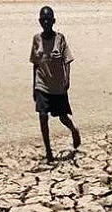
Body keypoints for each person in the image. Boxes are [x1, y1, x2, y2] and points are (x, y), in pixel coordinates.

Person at [30, 6, 81, 162]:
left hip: (58, 86)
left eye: (49, 19)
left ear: (53, 21)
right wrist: (34, 85)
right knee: (43, 116)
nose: (46, 22)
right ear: (40, 21)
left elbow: (67, 60)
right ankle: (48, 151)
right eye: (43, 20)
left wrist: (67, 78)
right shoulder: (36, 39)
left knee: (63, 117)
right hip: (41, 84)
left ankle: (74, 130)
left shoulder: (60, 38)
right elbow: (35, 64)